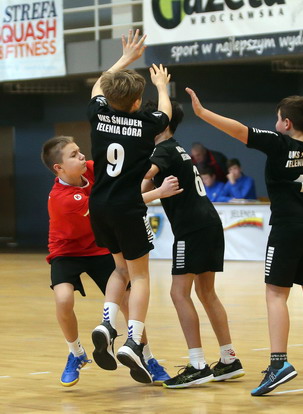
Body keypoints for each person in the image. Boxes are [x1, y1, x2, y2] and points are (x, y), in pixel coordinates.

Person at [186, 44, 303, 396]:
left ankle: (279, 363)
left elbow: (238, 130)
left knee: (276, 294)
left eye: (278, 117)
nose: (276, 122)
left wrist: (202, 112)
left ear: (286, 123)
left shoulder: (278, 143)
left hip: (287, 229)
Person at [41, 136, 178, 387]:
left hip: (98, 247)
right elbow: (116, 206)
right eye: (74, 155)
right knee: (63, 299)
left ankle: (146, 357)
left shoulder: (91, 169)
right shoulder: (62, 198)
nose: (82, 156)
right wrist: (159, 193)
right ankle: (76, 353)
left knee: (128, 301)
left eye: (79, 151)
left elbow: (123, 186)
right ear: (58, 168)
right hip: (66, 251)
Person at [87, 29, 172, 384]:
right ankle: (134, 340)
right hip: (127, 207)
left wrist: (125, 59)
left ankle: (107, 324)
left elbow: (98, 86)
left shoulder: (98, 114)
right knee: (139, 276)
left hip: (99, 206)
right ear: (138, 102)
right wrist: (162, 86)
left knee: (119, 270)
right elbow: (165, 113)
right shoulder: (145, 123)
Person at [142, 99, 245, 388]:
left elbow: (141, 177)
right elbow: (143, 188)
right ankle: (229, 359)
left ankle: (198, 364)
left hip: (192, 229)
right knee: (206, 293)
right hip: (208, 223)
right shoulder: (176, 148)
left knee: (178, 293)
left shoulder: (162, 150)